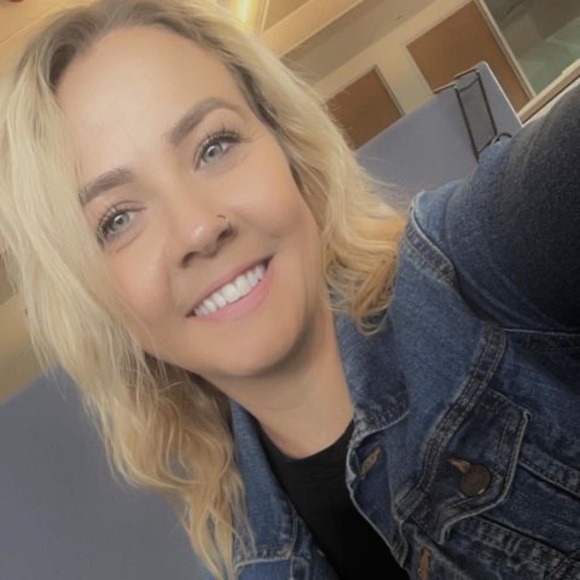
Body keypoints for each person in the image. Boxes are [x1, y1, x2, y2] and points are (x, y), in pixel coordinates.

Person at [0, 0, 578, 578]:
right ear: (99, 305)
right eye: (117, 220)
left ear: (288, 147)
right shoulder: (256, 557)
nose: (198, 228)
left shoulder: (483, 265)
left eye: (213, 146)